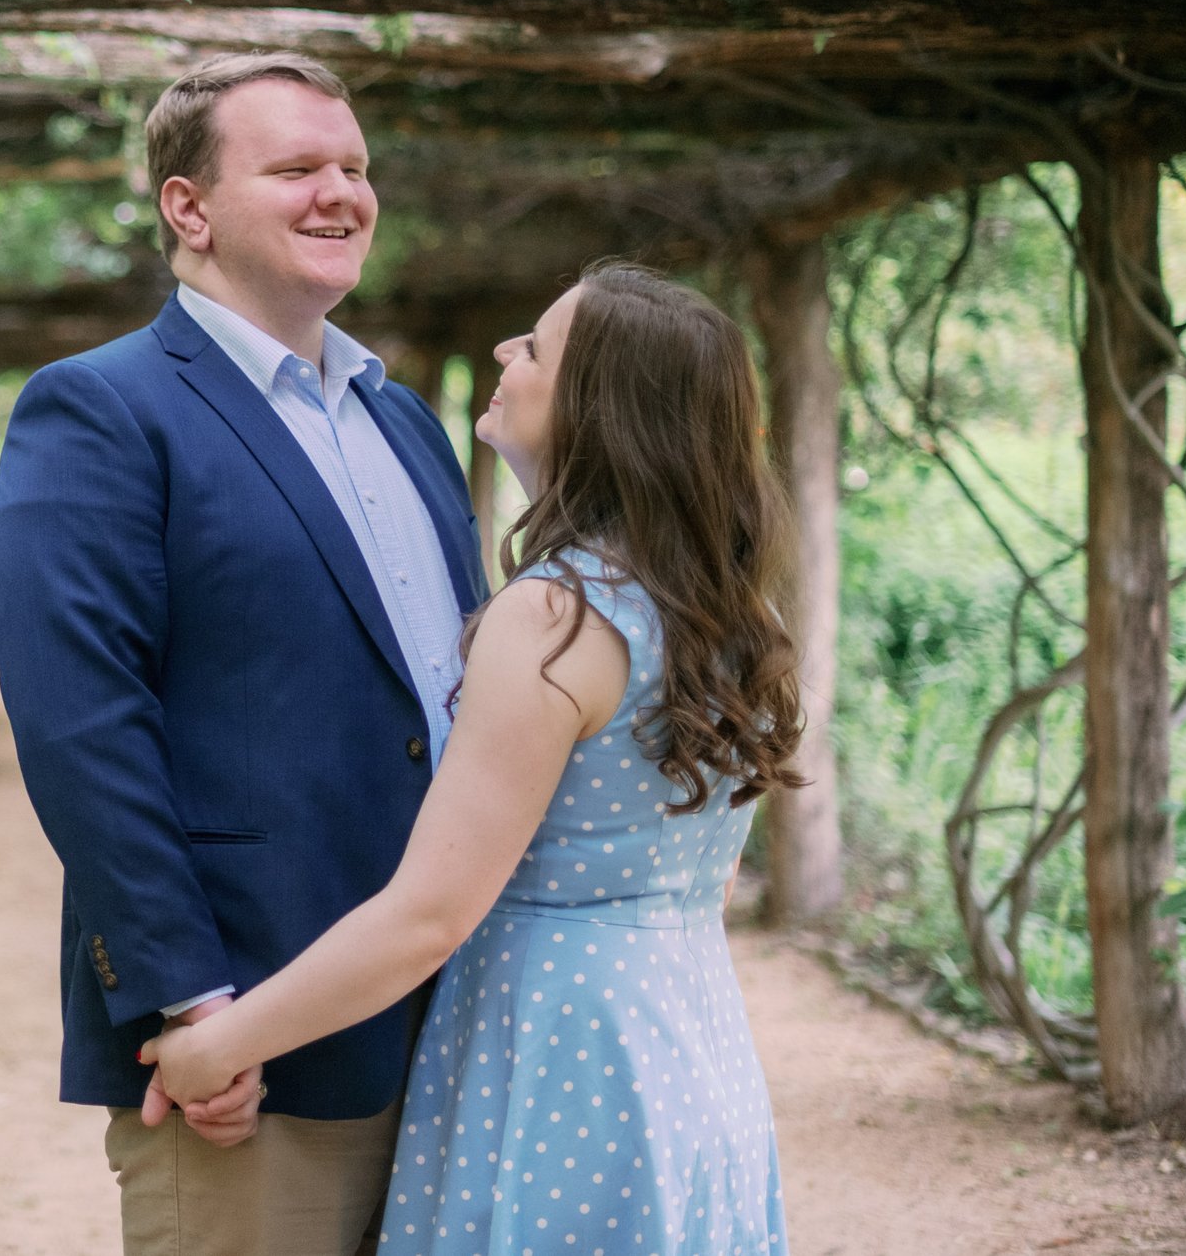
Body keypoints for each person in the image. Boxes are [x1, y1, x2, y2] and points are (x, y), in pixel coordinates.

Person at [140, 261, 801, 1256]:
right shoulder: (733, 614)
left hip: (555, 1054)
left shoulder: (553, 613)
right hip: (689, 1042)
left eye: (534, 346)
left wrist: (218, 1043)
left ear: (597, 407)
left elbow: (429, 913)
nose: (504, 351)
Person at [0, 52, 487, 1256]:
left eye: (356, 167)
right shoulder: (100, 408)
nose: (342, 193)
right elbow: (81, 724)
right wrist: (199, 1007)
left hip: (463, 1025)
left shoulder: (403, 413)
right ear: (188, 206)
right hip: (250, 1045)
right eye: (298, 167)